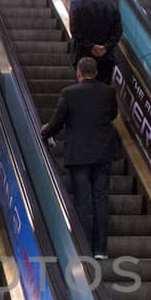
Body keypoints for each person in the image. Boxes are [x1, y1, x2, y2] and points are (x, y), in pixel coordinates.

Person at [40, 57, 118, 258]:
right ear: (97, 72)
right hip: (102, 154)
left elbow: (58, 121)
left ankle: (84, 248)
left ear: (78, 73)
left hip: (79, 156)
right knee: (100, 199)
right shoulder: (108, 92)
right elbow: (113, 115)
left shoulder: (69, 93)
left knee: (84, 201)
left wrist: (45, 132)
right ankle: (101, 249)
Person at [68, 0, 122, 88]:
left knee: (82, 91)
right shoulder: (112, 6)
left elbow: (75, 32)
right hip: (105, 59)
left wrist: (91, 47)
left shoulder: (77, 5)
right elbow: (117, 32)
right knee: (103, 93)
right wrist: (105, 47)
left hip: (83, 56)